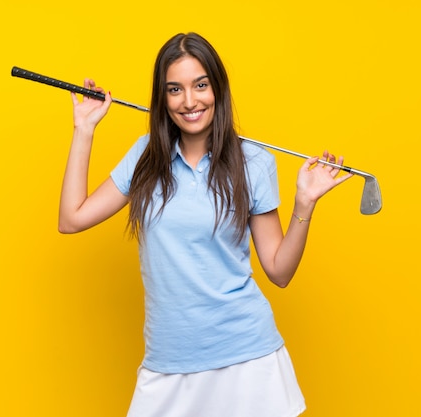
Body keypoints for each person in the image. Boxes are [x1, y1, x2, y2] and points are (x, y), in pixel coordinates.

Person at [58, 32, 352, 417]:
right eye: (175, 89)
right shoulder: (145, 157)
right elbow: (71, 218)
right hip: (168, 361)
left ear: (218, 88)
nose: (190, 101)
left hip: (246, 359)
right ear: (162, 99)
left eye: (201, 85)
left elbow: (279, 272)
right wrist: (85, 128)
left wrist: (304, 204)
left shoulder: (254, 162)